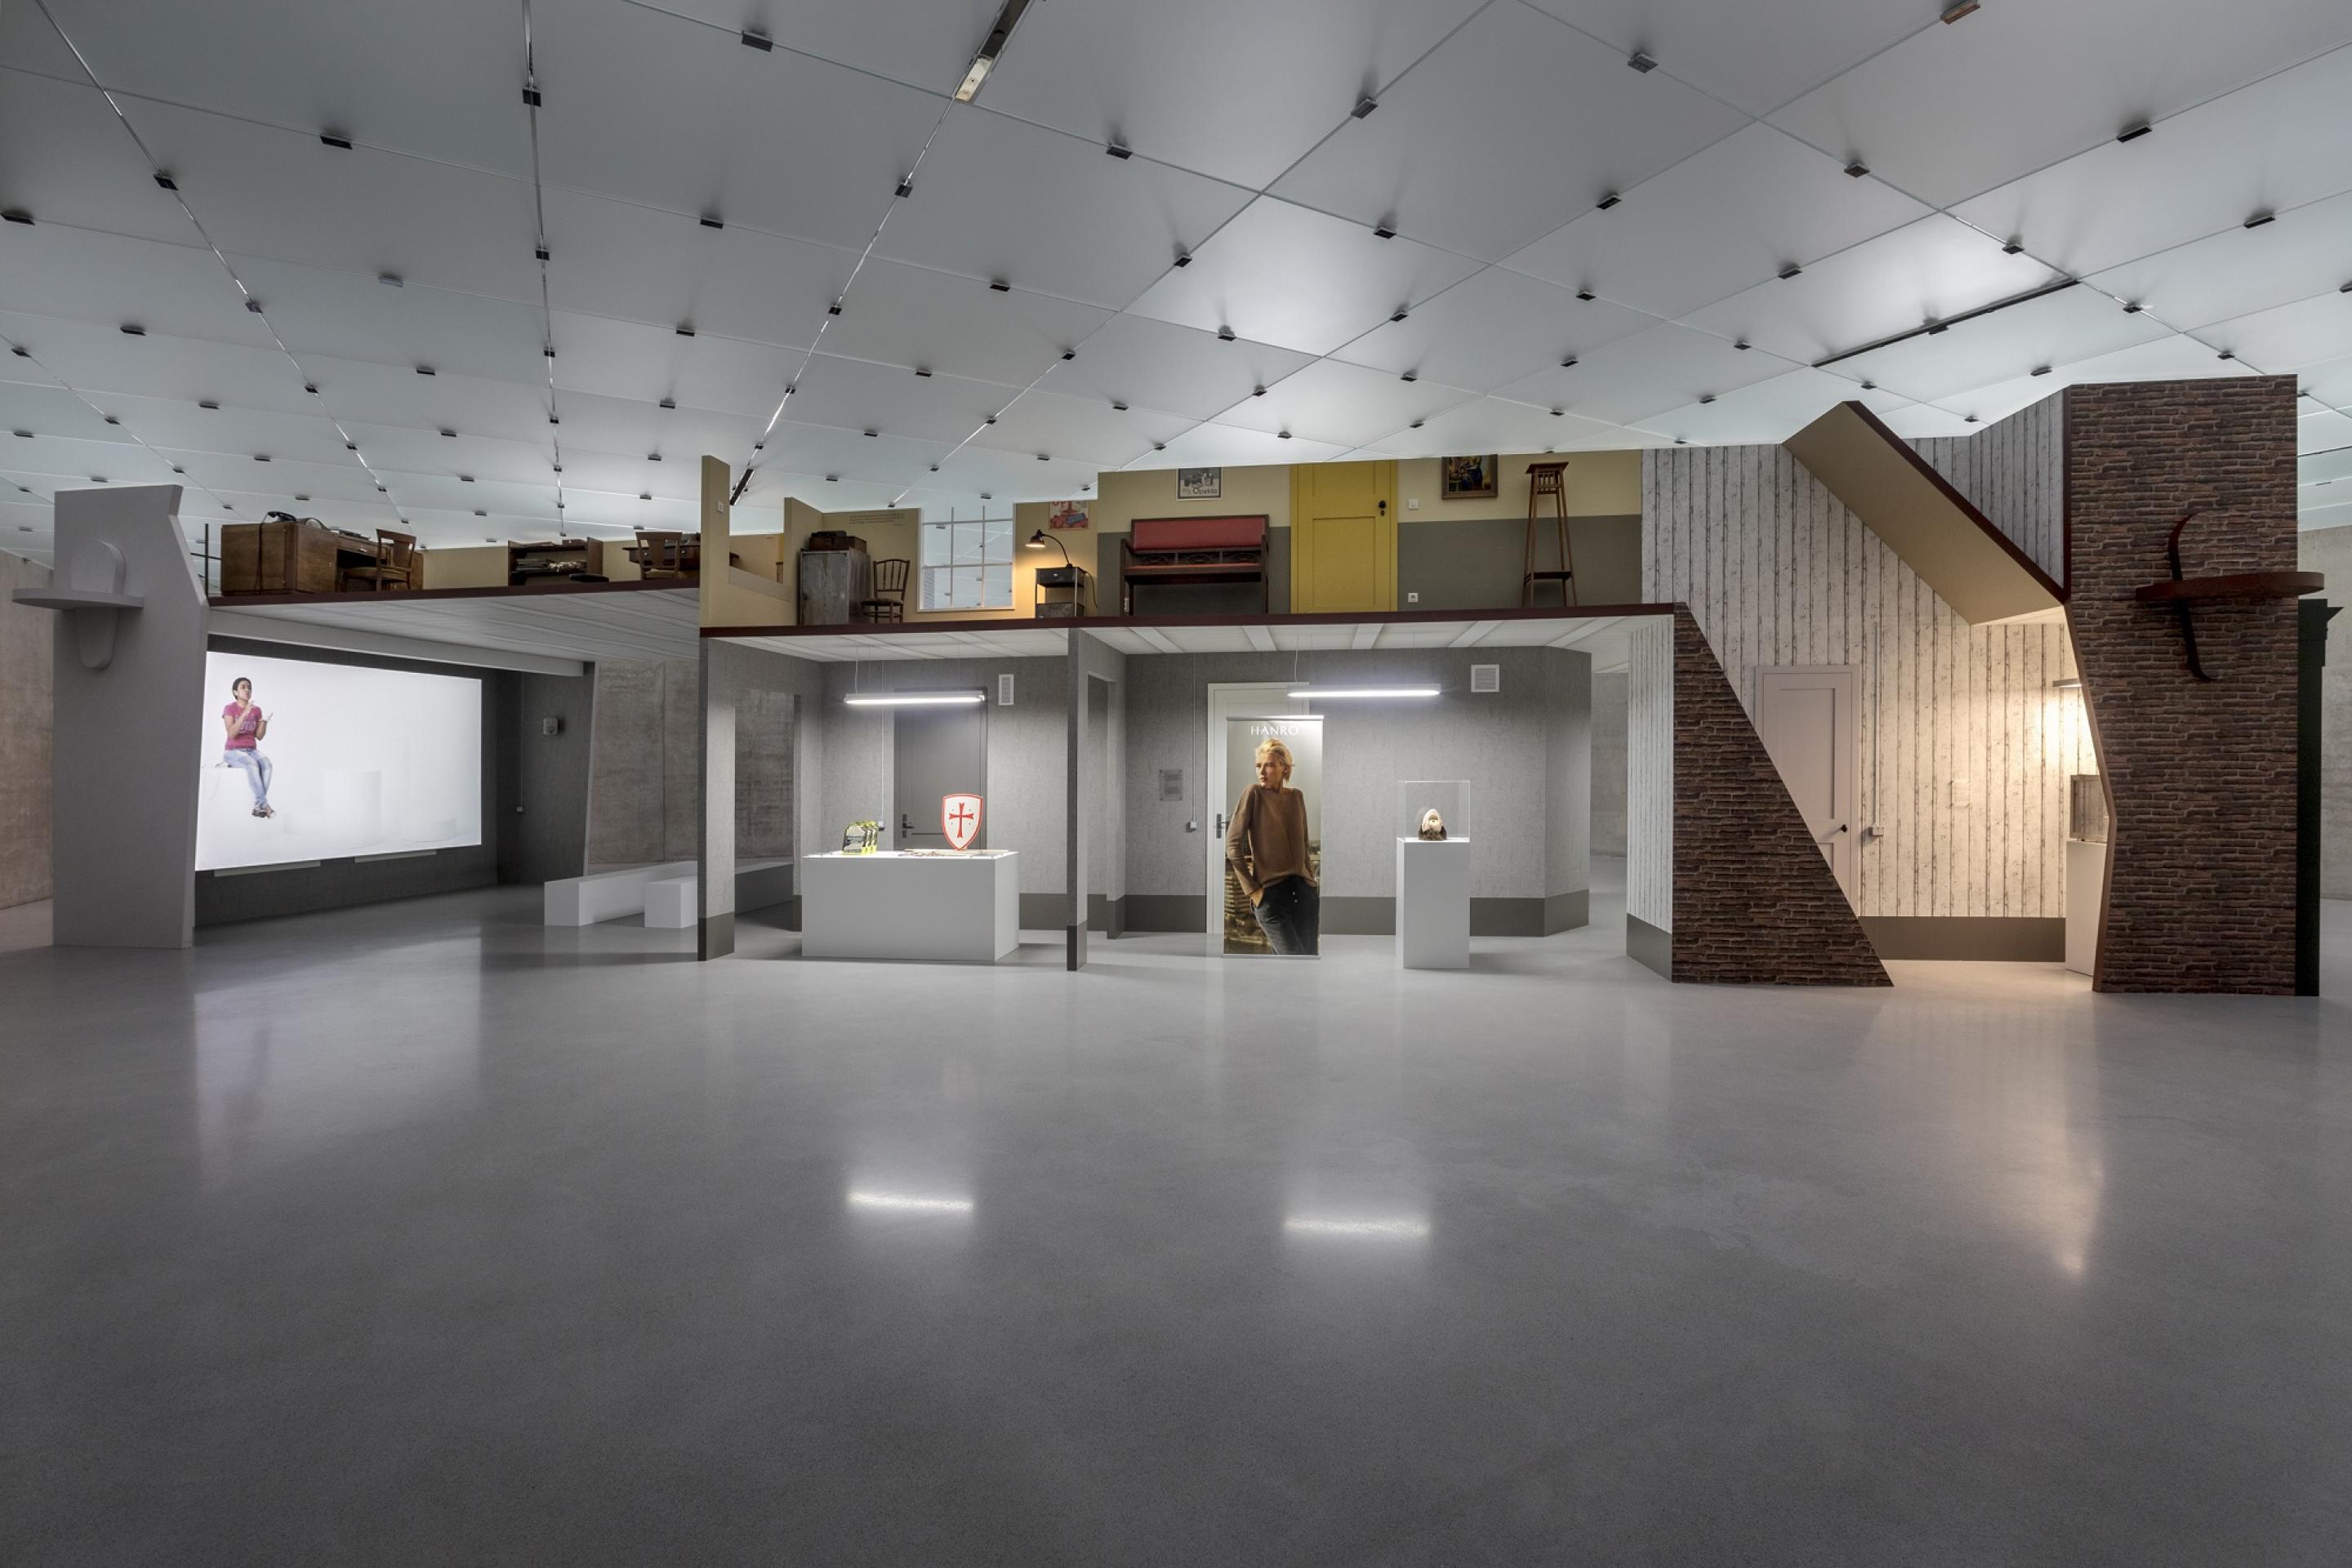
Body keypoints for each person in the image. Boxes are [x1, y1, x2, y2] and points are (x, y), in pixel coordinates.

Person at [1225, 734, 1319, 955]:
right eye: (1258, 766)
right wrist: (1253, 891)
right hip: (1270, 895)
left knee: (1307, 958)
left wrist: (1311, 883)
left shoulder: (1297, 797)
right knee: (1294, 958)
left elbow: (1304, 844)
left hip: (1303, 893)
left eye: (1269, 765)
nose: (1262, 772)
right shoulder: (1253, 793)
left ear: (1285, 768)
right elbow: (1232, 845)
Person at [220, 676, 274, 817]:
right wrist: (244, 714)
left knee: (267, 765)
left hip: (251, 750)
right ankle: (264, 805)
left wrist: (265, 721)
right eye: (243, 687)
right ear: (235, 692)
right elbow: (231, 734)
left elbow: (259, 736)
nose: (247, 690)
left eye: (249, 687)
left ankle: (258, 806)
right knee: (252, 764)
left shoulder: (256, 710)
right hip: (232, 751)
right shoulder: (229, 708)